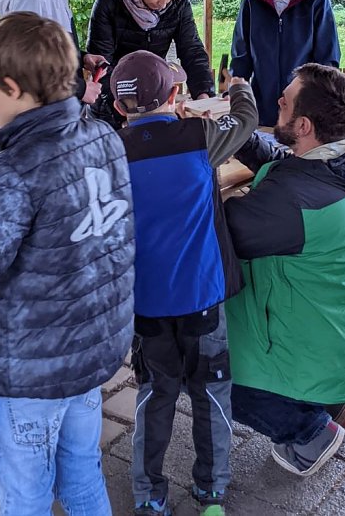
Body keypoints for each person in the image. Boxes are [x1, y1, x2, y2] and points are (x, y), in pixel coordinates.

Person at [0, 12, 135, 516]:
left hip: (28, 373)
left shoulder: (10, 170)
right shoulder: (106, 139)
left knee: (23, 501)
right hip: (89, 355)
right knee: (83, 478)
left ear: (13, 88)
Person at [224, 63, 345, 478]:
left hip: (328, 351)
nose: (278, 100)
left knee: (199, 365)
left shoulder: (291, 203)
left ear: (303, 124)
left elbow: (215, 231)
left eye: (285, 98)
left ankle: (310, 430)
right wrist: (231, 132)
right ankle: (327, 398)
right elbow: (284, 160)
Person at [109, 50, 258, 516]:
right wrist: (237, 86)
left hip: (146, 305)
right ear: (175, 95)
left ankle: (148, 495)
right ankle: (212, 492)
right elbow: (247, 119)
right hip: (202, 297)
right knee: (211, 393)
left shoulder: (112, 151)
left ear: (118, 106)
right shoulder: (200, 134)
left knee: (154, 395)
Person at [87, 0, 214, 127]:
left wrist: (203, 93)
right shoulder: (109, 2)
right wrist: (125, 111)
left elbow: (191, 50)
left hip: (154, 101)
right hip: (113, 104)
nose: (163, 4)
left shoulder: (178, 4)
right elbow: (102, 66)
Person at [229, 0, 340, 126]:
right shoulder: (251, 6)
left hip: (304, 116)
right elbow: (241, 61)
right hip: (259, 113)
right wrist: (234, 93)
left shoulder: (318, 4)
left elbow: (327, 63)